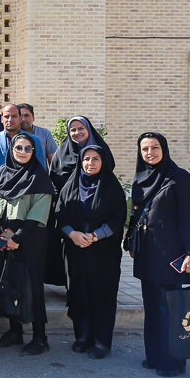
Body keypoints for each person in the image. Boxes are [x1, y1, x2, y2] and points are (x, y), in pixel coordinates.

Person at [127, 132, 190, 377]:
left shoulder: (179, 178)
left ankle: (174, 361)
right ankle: (154, 355)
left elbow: (187, 218)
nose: (150, 153)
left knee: (169, 308)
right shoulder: (140, 179)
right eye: (145, 149)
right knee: (151, 306)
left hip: (171, 255)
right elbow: (135, 214)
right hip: (147, 253)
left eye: (155, 147)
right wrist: (131, 242)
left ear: (164, 149)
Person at [53, 145, 126, 360]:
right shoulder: (71, 185)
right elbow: (60, 214)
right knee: (79, 292)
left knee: (102, 295)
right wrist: (72, 234)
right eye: (86, 159)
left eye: (96, 159)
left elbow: (118, 218)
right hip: (75, 250)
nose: (90, 163)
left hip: (103, 252)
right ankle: (83, 336)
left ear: (103, 162)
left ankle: (101, 341)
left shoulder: (112, 187)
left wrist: (94, 236)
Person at [0, 132, 56, 356]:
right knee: (8, 284)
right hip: (3, 241)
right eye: (18, 148)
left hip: (30, 242)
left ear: (34, 151)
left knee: (32, 287)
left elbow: (38, 213)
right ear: (11, 150)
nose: (23, 152)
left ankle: (40, 337)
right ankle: (15, 331)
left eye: (28, 148)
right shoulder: (1, 173)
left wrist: (17, 238)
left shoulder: (39, 176)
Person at [47, 115, 113, 288]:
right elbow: (54, 179)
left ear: (88, 129)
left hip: (96, 210)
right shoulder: (61, 153)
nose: (77, 132)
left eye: (81, 128)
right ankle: (70, 287)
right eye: (73, 130)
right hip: (68, 210)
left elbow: (107, 178)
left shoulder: (101, 151)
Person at [0, 104, 46, 186]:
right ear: (1, 119)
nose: (10, 120)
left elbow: (39, 166)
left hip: (26, 188)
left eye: (14, 116)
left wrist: (25, 187)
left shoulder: (34, 140)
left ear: (20, 118)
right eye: (6, 116)